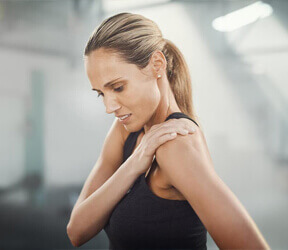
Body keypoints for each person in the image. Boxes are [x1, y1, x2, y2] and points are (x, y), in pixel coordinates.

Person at [66, 12, 270, 250]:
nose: (109, 107)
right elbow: (77, 231)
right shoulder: (125, 129)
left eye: (118, 87)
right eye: (101, 93)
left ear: (157, 65)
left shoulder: (174, 144)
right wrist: (136, 162)